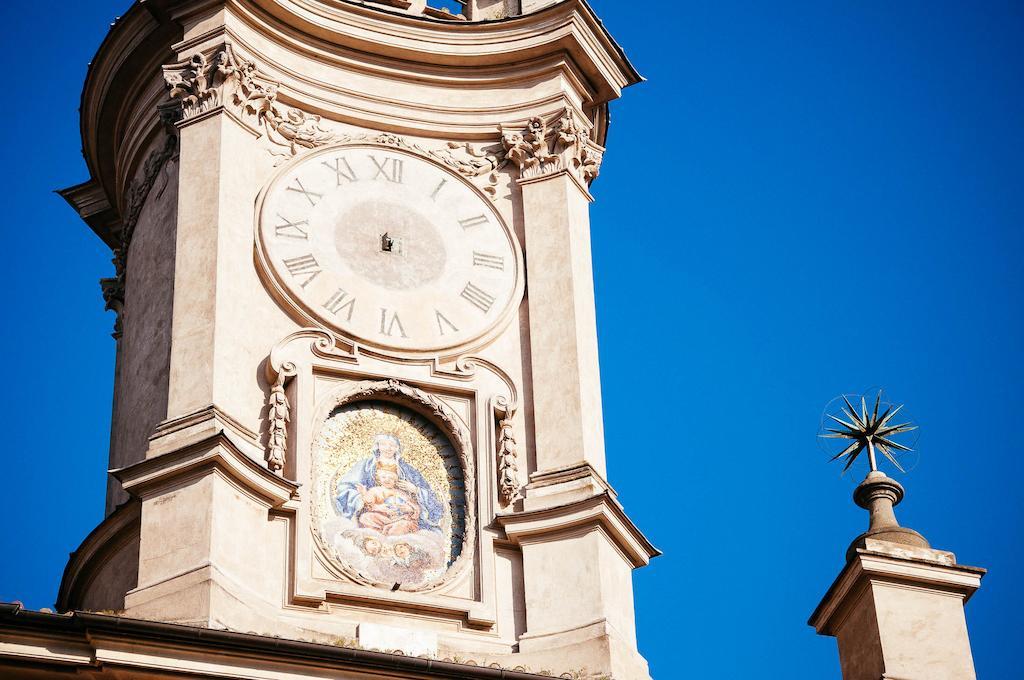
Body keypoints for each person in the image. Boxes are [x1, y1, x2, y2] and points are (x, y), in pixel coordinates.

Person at [335, 434, 444, 533]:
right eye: (383, 444)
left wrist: (416, 490)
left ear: (397, 448)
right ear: (377, 446)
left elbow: (431, 498)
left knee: (403, 525)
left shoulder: (407, 470)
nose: (388, 448)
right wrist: (364, 498)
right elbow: (346, 488)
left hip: (402, 516)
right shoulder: (366, 466)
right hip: (376, 512)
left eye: (392, 445)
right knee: (366, 518)